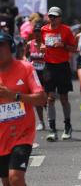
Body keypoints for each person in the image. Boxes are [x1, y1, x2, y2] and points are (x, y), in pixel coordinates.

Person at [0, 31, 46, 186]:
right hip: (1, 136)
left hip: (22, 134)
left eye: (2, 46)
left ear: (11, 47)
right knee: (6, 182)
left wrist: (15, 96)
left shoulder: (25, 68)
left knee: (15, 177)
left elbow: (41, 98)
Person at [41, 7, 77, 141]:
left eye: (55, 16)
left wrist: (63, 45)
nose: (53, 19)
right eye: (50, 16)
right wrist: (42, 48)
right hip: (49, 66)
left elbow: (74, 48)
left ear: (60, 18)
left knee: (63, 98)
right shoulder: (44, 29)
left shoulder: (66, 30)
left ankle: (67, 126)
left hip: (62, 66)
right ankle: (52, 129)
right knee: (50, 98)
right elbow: (40, 45)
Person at [26, 23, 46, 131]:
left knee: (46, 98)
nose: (37, 34)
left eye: (39, 32)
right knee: (38, 98)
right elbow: (25, 55)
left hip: (46, 73)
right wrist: (28, 63)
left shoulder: (45, 44)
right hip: (34, 74)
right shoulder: (30, 44)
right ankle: (41, 122)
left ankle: (50, 120)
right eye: (36, 32)